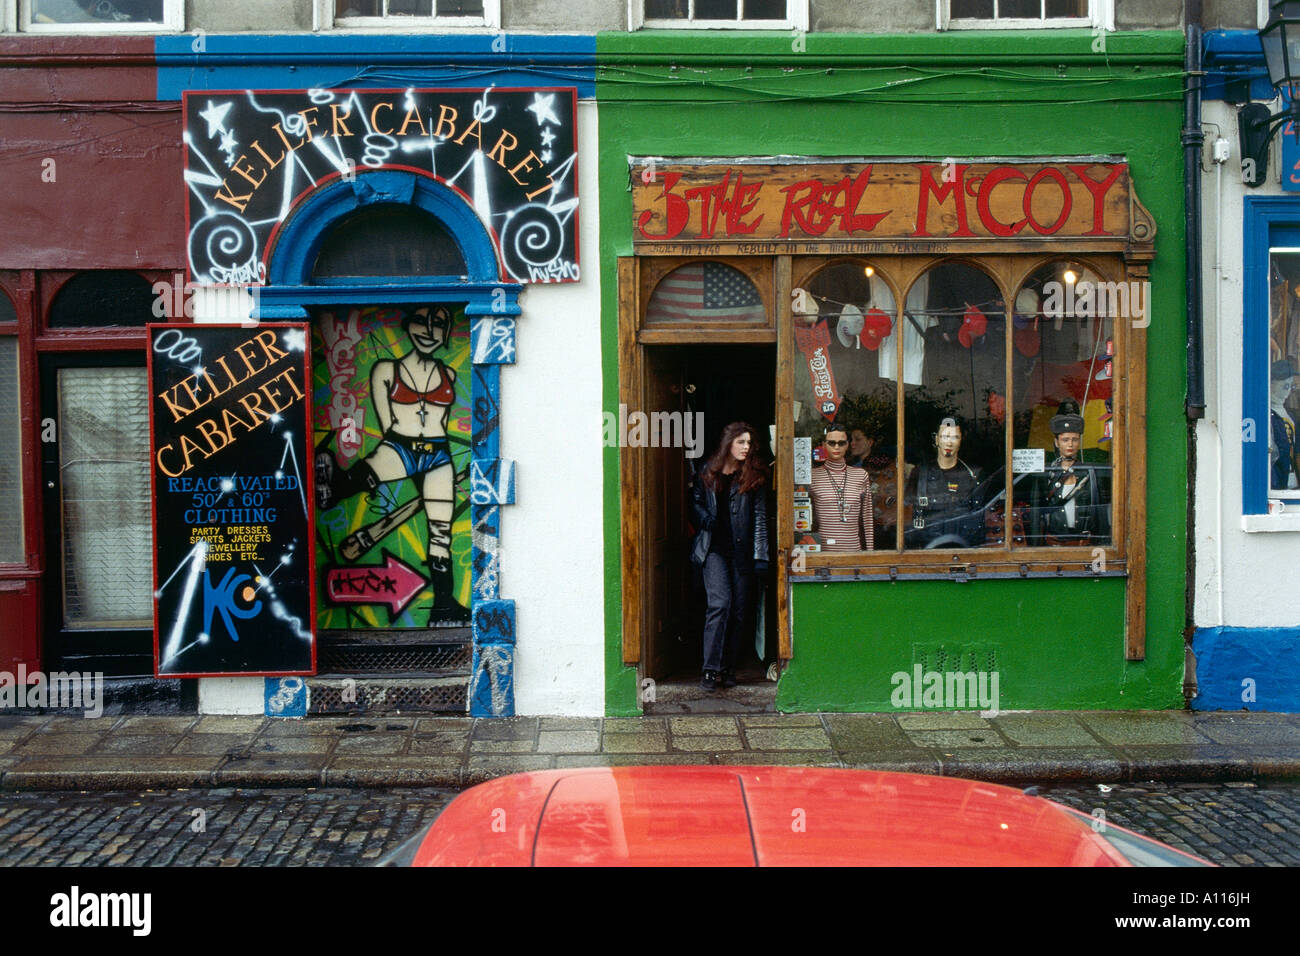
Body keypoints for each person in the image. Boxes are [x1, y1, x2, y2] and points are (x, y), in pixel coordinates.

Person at [315, 304, 465, 620]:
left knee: (441, 531)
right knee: (367, 474)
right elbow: (385, 426)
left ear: (446, 333)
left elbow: (445, 422)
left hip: (438, 453)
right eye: (421, 322)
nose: (428, 331)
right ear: (408, 326)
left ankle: (443, 605)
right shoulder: (386, 369)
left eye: (438, 324)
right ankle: (335, 487)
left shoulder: (448, 373)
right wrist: (403, 454)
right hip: (401, 445)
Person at [691, 422, 769, 691]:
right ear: (728, 443)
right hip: (713, 549)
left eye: (749, 443)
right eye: (741, 442)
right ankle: (710, 670)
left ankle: (729, 667)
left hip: (742, 552)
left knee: (738, 612)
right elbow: (696, 502)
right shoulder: (708, 471)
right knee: (719, 605)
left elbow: (759, 518)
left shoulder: (753, 475)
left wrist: (761, 555)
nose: (746, 447)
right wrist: (704, 518)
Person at [1028, 401, 1110, 546]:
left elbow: (1100, 513)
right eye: (1065, 440)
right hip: (1054, 546)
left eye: (1074, 440)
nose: (1070, 445)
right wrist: (1035, 547)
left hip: (1084, 545)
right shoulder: (1046, 475)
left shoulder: (1090, 474)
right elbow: (1035, 513)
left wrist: (1103, 545)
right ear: (1057, 442)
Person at [904, 417, 983, 548]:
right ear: (936, 439)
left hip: (963, 549)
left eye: (955, 437)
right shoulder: (920, 473)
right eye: (945, 436)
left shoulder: (973, 474)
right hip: (925, 549)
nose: (949, 443)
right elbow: (906, 512)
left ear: (961, 440)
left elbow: (979, 516)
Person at [810, 423, 873, 551]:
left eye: (841, 443)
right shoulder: (812, 476)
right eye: (832, 443)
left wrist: (870, 553)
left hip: (853, 553)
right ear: (824, 445)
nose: (837, 447)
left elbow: (867, 517)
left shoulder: (861, 475)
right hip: (822, 554)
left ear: (848, 445)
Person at [1271, 358, 1298, 490]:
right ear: (1271, 384)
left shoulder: (1291, 415)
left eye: (1291, 386)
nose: (1287, 391)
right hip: (1277, 481)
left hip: (1292, 479)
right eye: (1284, 386)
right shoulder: (1267, 415)